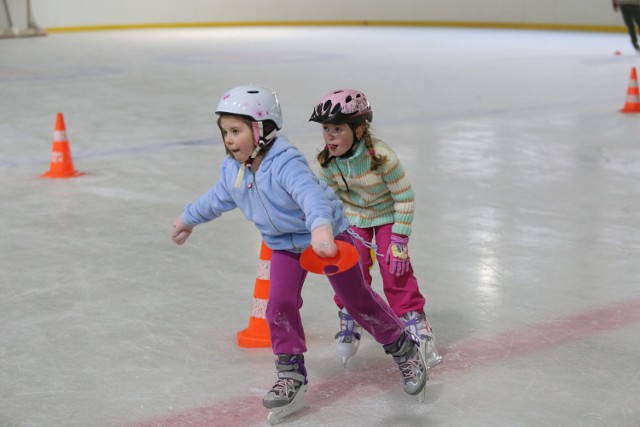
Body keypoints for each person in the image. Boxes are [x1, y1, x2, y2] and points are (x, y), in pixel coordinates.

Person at [171, 85, 427, 422]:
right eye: (225, 132)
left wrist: (321, 228)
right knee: (279, 304)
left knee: (357, 301)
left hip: (328, 236)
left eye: (236, 131)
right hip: (283, 246)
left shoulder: (285, 161)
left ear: (261, 129)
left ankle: (404, 347)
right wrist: (188, 218)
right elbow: (217, 198)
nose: (229, 140)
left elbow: (310, 196)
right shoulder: (232, 170)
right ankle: (291, 372)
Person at [309, 89, 442, 368]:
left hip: (386, 215)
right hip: (351, 219)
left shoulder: (381, 157)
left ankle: (413, 319)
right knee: (350, 267)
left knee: (395, 267)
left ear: (358, 131)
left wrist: (399, 240)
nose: (329, 136)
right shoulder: (326, 162)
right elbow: (328, 201)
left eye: (337, 129)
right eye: (325, 129)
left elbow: (404, 197)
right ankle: (350, 312)